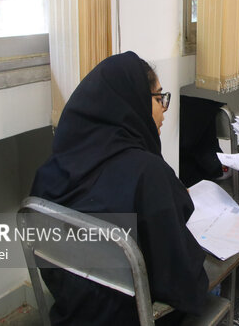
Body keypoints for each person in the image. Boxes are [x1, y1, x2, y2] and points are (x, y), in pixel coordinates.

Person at [30, 52, 209, 325]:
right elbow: (179, 280)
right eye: (159, 98)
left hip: (72, 312)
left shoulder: (49, 172)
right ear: (132, 103)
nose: (164, 107)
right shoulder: (147, 173)